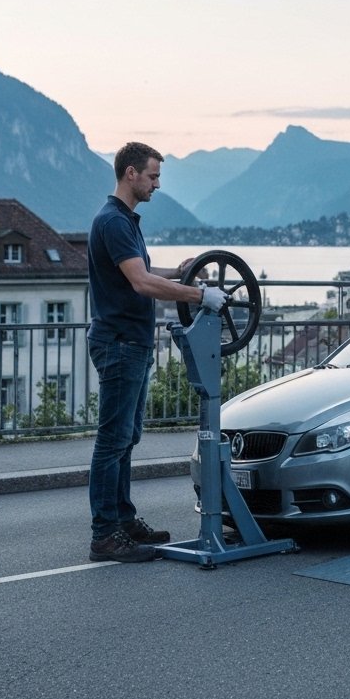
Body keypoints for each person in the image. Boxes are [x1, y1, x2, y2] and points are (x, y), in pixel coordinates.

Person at [86, 142, 228, 563]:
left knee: (126, 438)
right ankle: (104, 535)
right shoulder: (114, 221)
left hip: (131, 343)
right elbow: (142, 283)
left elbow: (144, 271)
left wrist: (181, 272)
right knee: (112, 441)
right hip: (119, 343)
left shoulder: (124, 221)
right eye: (153, 176)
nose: (157, 184)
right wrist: (200, 294)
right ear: (130, 173)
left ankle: (123, 520)